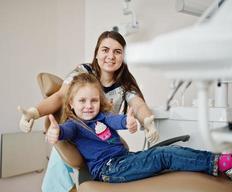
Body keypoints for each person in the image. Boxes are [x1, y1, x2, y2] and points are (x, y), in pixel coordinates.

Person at [46, 73, 232, 183]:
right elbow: (66, 132)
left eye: (93, 100)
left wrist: (128, 122)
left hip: (123, 161)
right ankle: (224, 164)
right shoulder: (75, 125)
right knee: (163, 156)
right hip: (109, 170)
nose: (88, 106)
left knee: (163, 153)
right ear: (71, 103)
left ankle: (222, 162)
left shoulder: (102, 116)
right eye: (82, 101)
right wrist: (56, 132)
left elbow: (116, 121)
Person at [18, 30, 159, 144]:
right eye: (105, 50)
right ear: (97, 53)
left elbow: (139, 105)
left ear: (123, 57)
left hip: (102, 142)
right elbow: (61, 96)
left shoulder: (125, 84)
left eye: (117, 51)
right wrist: (33, 113)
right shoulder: (83, 72)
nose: (111, 56)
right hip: (75, 137)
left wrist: (148, 122)